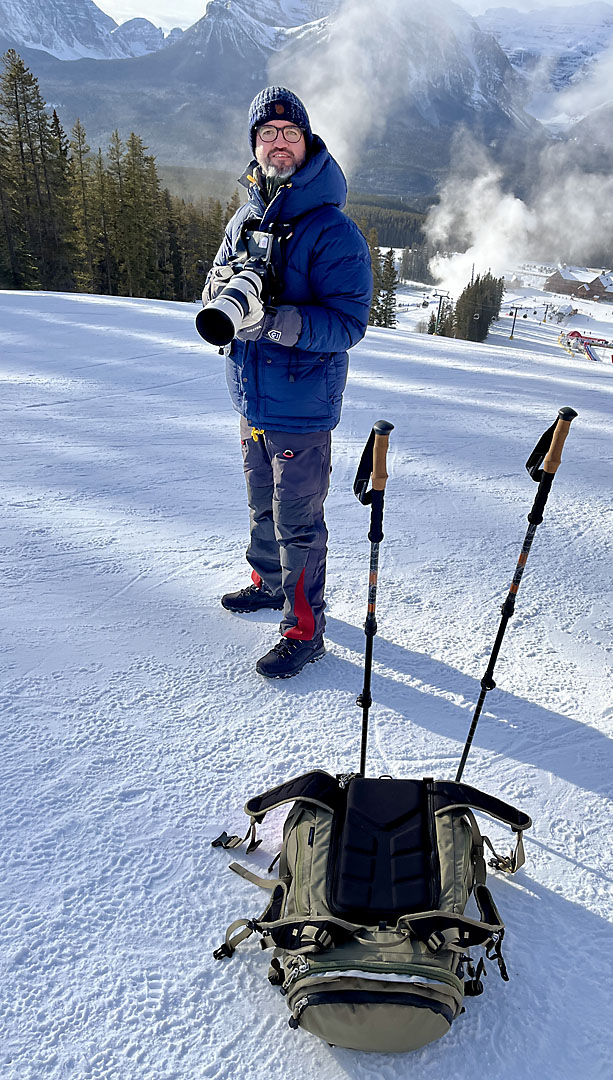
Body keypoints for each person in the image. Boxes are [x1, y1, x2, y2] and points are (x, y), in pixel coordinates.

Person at [202, 86, 373, 679]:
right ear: (255, 145)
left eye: (289, 133)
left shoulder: (333, 230)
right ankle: (268, 582)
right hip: (250, 397)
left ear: (306, 145)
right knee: (260, 502)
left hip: (301, 403)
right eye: (266, 134)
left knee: (297, 518)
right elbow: (216, 286)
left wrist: (273, 321)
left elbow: (349, 322)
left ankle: (304, 629)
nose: (278, 143)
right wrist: (220, 297)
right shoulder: (243, 219)